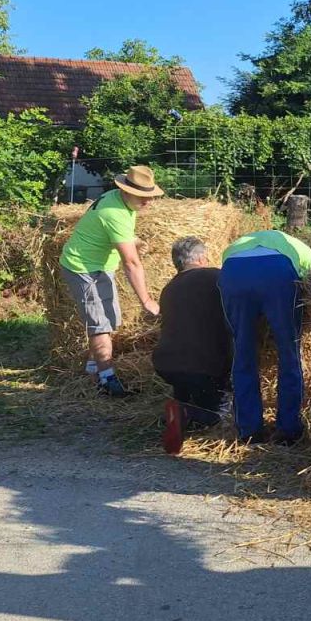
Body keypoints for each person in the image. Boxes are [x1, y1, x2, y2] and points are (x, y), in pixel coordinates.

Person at [59, 165, 164, 397]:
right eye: (142, 197)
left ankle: (92, 368)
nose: (148, 202)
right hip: (82, 268)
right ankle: (107, 382)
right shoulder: (114, 212)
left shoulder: (118, 200)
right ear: (126, 191)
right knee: (100, 325)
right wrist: (146, 300)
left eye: (150, 197)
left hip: (100, 266)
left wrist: (133, 240)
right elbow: (132, 264)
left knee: (110, 319)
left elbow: (116, 232)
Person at [219, 229, 311, 445]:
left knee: (243, 352)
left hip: (233, 271)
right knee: (289, 351)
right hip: (278, 272)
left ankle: (249, 430)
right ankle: (288, 430)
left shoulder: (236, 244)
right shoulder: (300, 248)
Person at [152, 236, 232, 455]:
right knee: (220, 412)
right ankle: (188, 413)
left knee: (189, 384)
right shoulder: (217, 277)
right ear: (202, 257)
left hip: (166, 364)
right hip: (205, 365)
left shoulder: (168, 288)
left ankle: (179, 407)